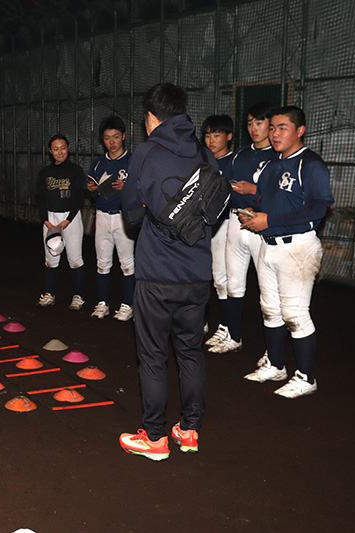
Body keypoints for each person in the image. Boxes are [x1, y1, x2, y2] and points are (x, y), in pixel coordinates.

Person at [119, 83, 218, 460]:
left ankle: (155, 437)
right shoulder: (204, 151)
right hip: (197, 275)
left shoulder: (146, 153)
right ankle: (189, 431)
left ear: (150, 117)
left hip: (157, 273)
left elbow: (130, 213)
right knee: (190, 353)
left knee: (153, 356)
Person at [239, 106, 333, 399]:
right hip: (269, 245)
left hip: (298, 247)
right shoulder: (272, 164)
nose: (275, 133)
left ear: (299, 131)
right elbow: (272, 201)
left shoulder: (310, 164)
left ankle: (306, 377)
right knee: (270, 309)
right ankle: (276, 365)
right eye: (273, 128)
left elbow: (319, 207)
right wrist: (254, 213)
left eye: (282, 128)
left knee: (295, 313)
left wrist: (270, 220)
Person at [209, 102, 276, 354]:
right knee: (232, 284)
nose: (253, 128)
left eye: (259, 122)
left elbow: (283, 194)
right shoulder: (239, 154)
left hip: (263, 226)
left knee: (269, 291)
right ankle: (232, 335)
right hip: (237, 222)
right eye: (249, 123)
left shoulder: (277, 155)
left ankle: (274, 353)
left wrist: (254, 190)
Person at [86, 115, 135, 320]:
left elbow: (142, 189)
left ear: (124, 136)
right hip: (102, 216)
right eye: (107, 138)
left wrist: (127, 187)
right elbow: (92, 190)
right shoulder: (97, 164)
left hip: (123, 217)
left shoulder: (132, 161)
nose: (112, 142)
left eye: (115, 137)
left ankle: (127, 305)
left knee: (127, 263)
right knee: (102, 262)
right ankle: (102, 303)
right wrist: (92, 189)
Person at [35, 134, 87, 310]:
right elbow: (41, 198)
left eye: (63, 148)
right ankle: (50, 293)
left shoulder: (76, 171)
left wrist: (67, 220)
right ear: (50, 151)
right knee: (51, 259)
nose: (59, 152)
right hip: (51, 219)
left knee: (75, 259)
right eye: (55, 149)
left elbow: (79, 198)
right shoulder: (45, 173)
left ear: (68, 148)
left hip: (70, 219)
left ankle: (78, 296)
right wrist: (46, 221)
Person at [200, 114, 236, 353]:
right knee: (209, 276)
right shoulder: (203, 160)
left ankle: (228, 327)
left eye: (217, 134)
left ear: (229, 136)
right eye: (207, 135)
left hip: (228, 224)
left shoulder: (235, 161)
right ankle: (210, 323)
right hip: (205, 226)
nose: (211, 140)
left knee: (226, 280)